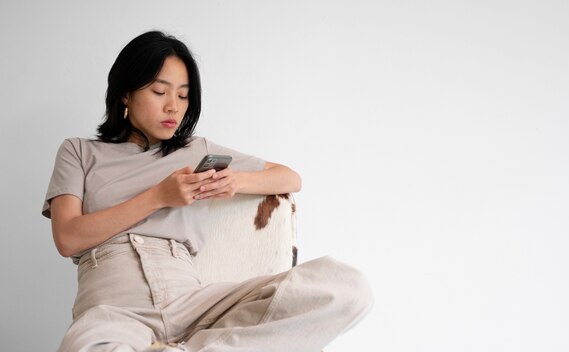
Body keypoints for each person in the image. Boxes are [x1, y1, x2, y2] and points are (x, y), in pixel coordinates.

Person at [42, 31, 373, 352]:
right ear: (125, 93)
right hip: (113, 307)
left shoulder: (194, 150)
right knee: (88, 347)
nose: (174, 106)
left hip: (192, 303)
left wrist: (235, 181)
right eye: (160, 92)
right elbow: (68, 237)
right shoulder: (78, 152)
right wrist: (159, 196)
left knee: (346, 288)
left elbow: (289, 178)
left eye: (183, 95)